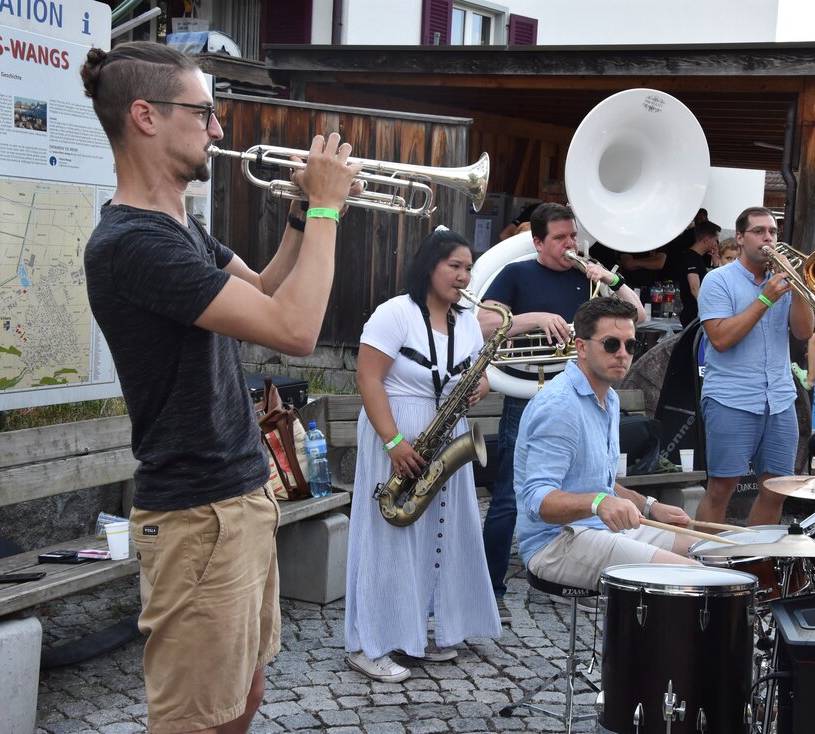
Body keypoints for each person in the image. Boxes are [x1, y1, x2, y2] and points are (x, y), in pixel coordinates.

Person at [80, 42, 357, 733]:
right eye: (204, 112)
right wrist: (325, 211)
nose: (218, 128)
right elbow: (293, 329)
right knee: (193, 720)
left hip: (237, 494)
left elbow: (263, 289)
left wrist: (299, 215)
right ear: (145, 116)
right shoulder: (133, 244)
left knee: (243, 698)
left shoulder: (180, 228)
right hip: (197, 516)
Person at [345, 228, 501, 683]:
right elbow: (368, 378)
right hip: (394, 435)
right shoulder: (395, 313)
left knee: (442, 535)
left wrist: (480, 388)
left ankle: (419, 631)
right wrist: (394, 443)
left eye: (469, 268)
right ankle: (366, 644)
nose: (463, 275)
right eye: (455, 266)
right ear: (429, 266)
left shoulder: (467, 322)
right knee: (386, 539)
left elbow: (480, 377)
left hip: (442, 437)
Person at [478, 203, 645, 622]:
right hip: (529, 392)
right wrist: (533, 318)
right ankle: (489, 588)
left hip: (584, 393)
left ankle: (573, 561)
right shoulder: (517, 273)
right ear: (538, 242)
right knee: (508, 498)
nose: (571, 245)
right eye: (560, 238)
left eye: (573, 236)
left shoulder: (584, 278)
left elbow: (636, 316)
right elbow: (480, 323)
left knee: (589, 481)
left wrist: (612, 280)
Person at [515, 298, 695, 590]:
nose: (623, 354)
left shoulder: (609, 397)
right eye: (611, 344)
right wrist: (598, 503)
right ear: (582, 347)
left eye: (631, 345)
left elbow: (601, 484)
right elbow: (538, 499)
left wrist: (650, 506)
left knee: (707, 551)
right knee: (692, 576)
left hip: (600, 528)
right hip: (556, 542)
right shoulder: (560, 407)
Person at [696, 207, 815, 525]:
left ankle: (755, 562)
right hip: (731, 397)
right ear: (740, 237)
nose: (768, 238)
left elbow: (804, 332)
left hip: (778, 398)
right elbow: (720, 339)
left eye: (773, 232)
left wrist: (800, 288)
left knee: (777, 490)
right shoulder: (717, 280)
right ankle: (706, 567)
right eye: (760, 231)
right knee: (721, 489)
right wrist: (764, 299)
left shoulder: (782, 281)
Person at [677, 219, 722, 327]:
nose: (716, 244)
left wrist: (715, 263)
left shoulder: (699, 258)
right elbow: (694, 288)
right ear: (706, 240)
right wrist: (708, 309)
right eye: (715, 240)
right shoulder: (690, 258)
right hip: (692, 315)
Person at [498, 180, 566, 241]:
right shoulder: (533, 210)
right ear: (544, 195)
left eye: (560, 194)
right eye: (553, 194)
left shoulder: (565, 213)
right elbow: (505, 234)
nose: (557, 197)